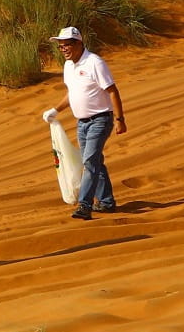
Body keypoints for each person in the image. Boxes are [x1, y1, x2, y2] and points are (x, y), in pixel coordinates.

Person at [44, 27, 126, 221]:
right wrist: (56, 110)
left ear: (79, 43)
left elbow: (113, 91)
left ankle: (85, 205)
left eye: (67, 45)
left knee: (89, 161)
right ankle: (106, 202)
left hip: (100, 119)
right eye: (61, 46)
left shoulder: (94, 63)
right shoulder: (68, 66)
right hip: (82, 123)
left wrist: (119, 119)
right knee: (94, 161)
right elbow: (72, 93)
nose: (63, 49)